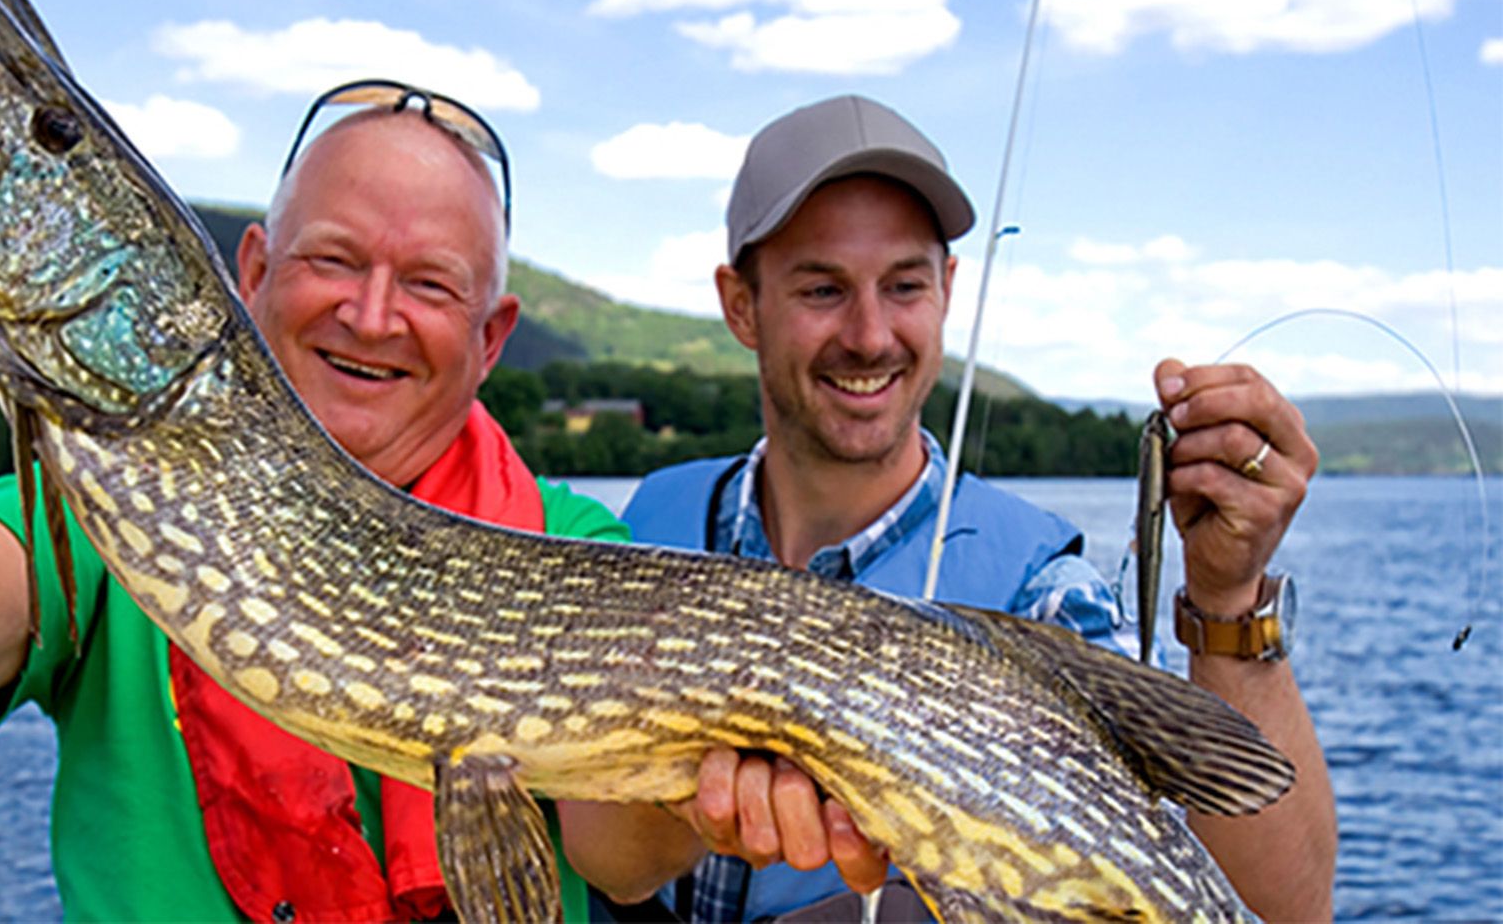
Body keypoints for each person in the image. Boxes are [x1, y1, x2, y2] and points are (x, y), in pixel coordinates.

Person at [0, 81, 628, 922]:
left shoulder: (573, 545)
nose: (372, 317)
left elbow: (626, 864)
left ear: (491, 336)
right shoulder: (113, 505)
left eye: (430, 286)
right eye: (333, 260)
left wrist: (720, 802)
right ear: (256, 271)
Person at [558, 95, 1337, 922]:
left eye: (904, 286)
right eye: (823, 289)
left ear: (947, 289)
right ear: (741, 305)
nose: (869, 335)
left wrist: (1228, 598)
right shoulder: (643, 528)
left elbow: (1281, 911)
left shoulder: (1043, 592)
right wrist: (677, 805)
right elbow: (606, 865)